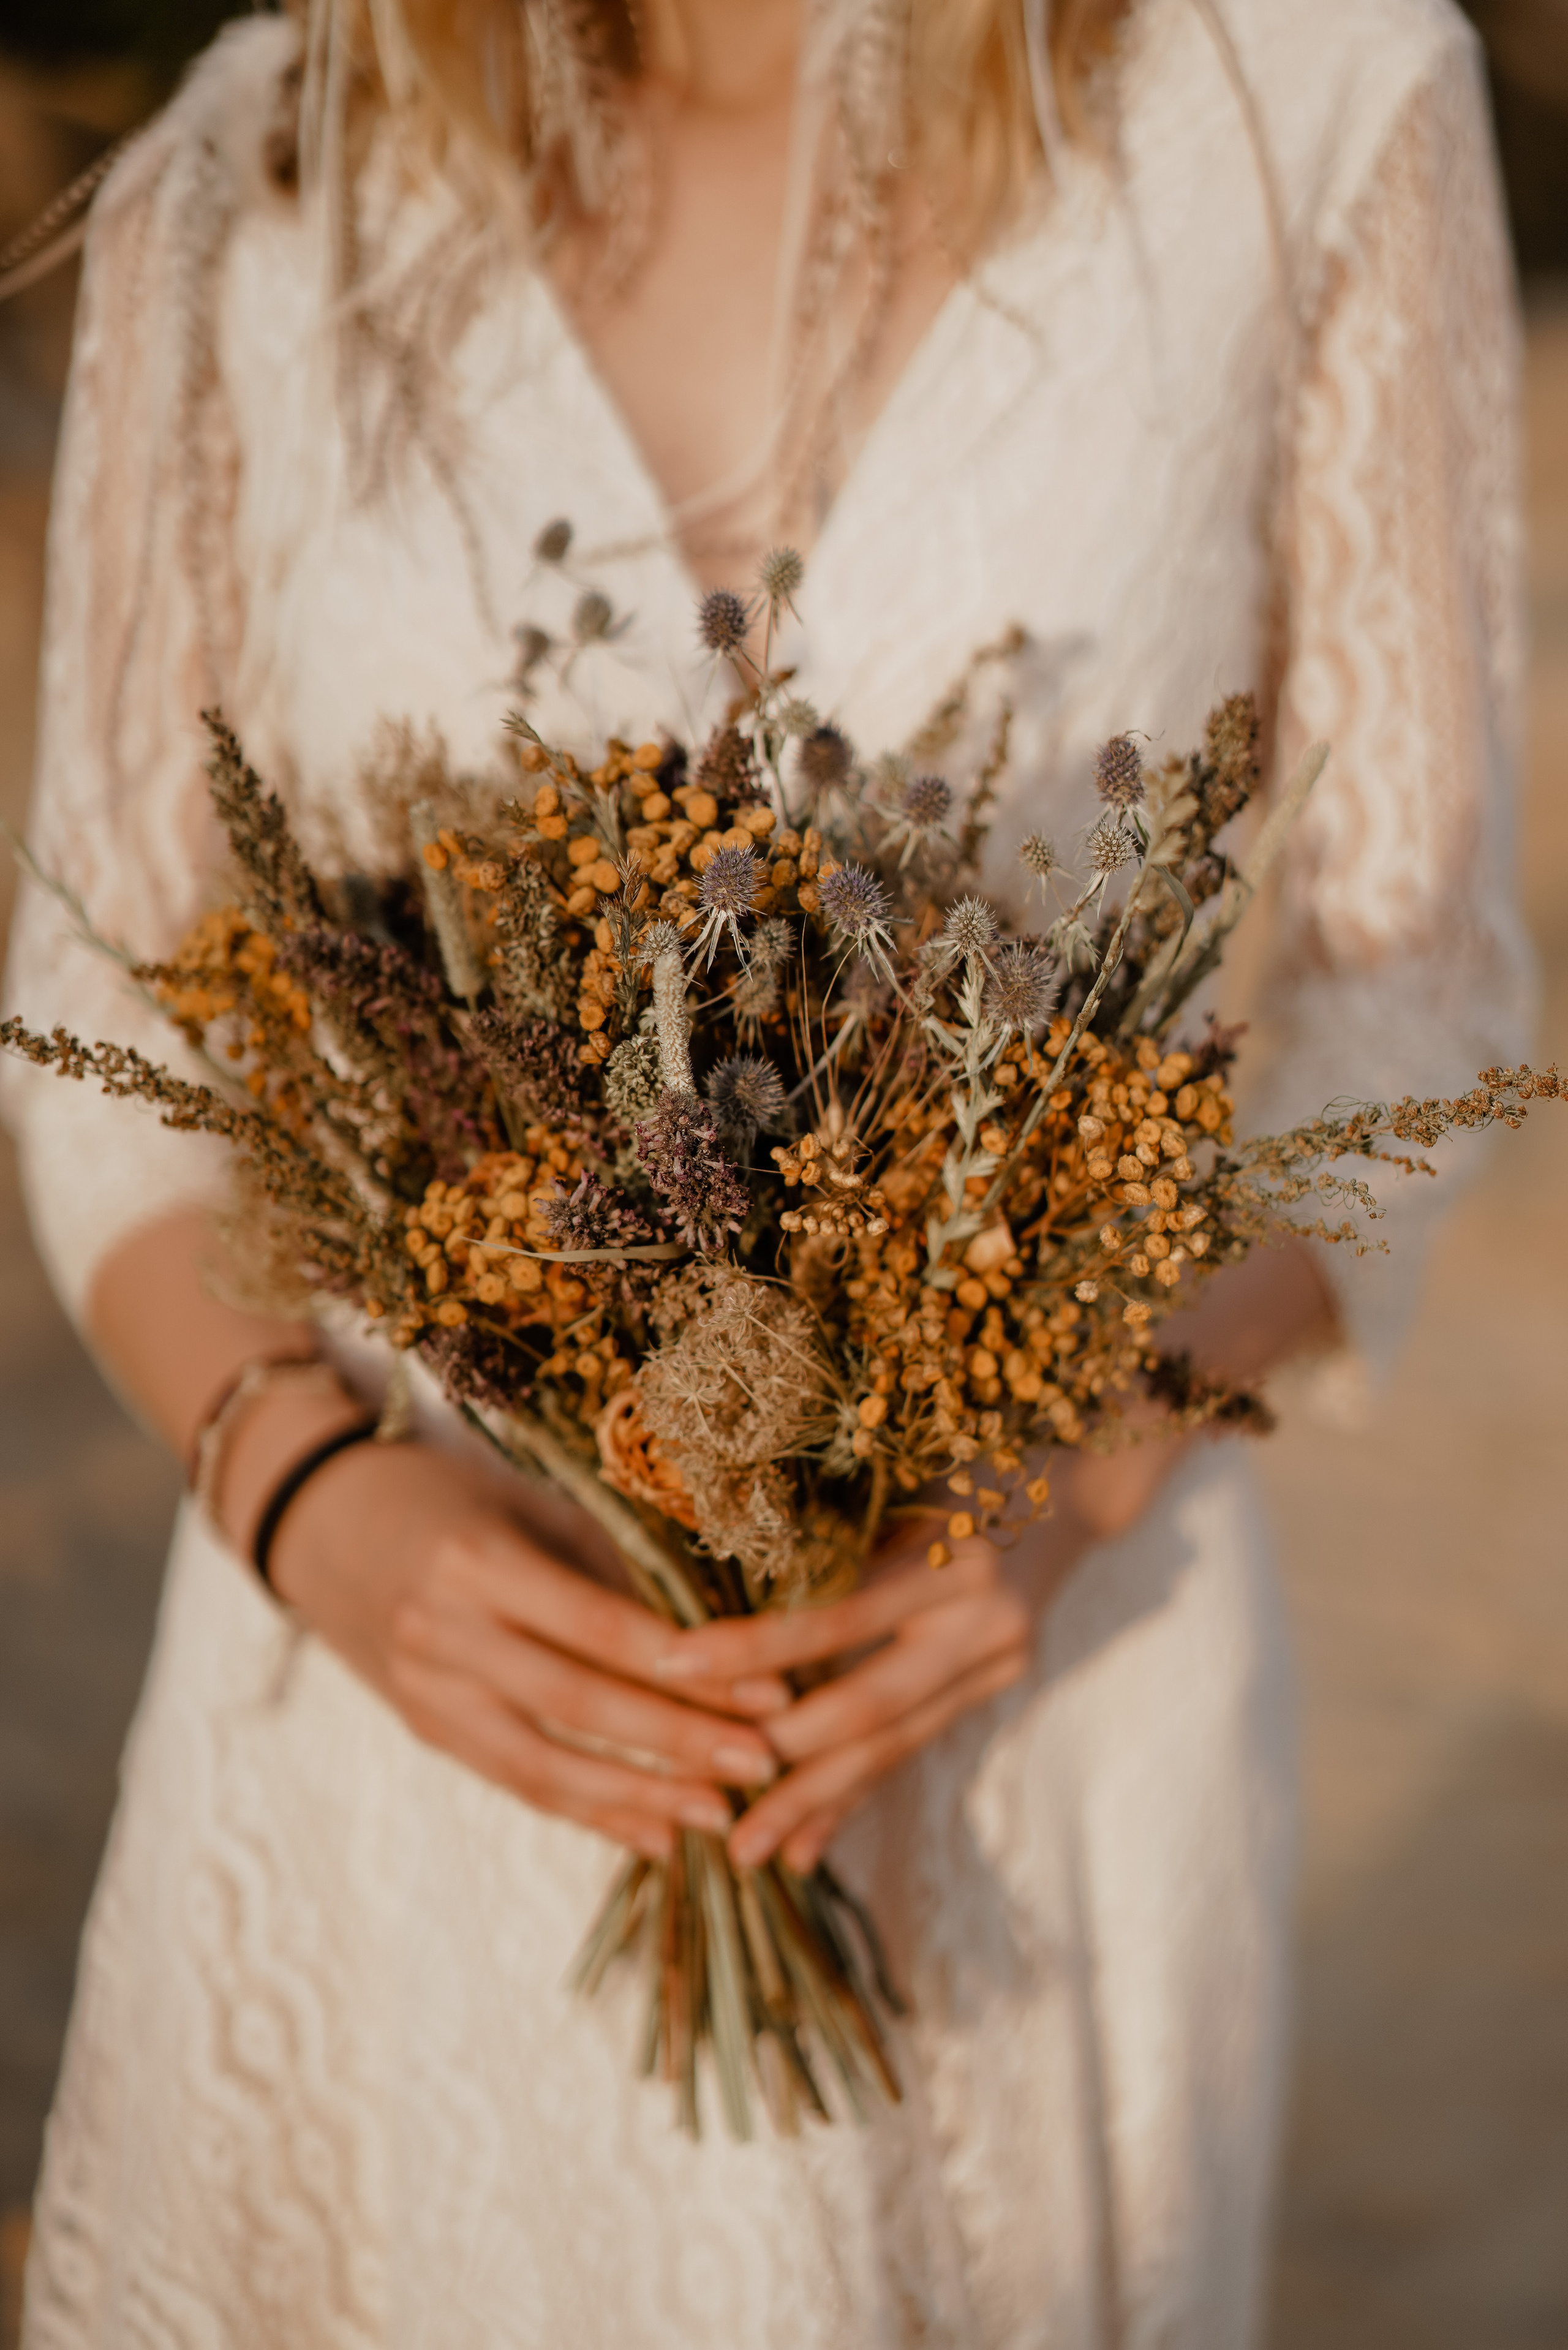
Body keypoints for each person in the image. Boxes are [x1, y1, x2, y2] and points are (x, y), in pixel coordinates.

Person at [1, 0, 1531, 2341]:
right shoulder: (261, 177)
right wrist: (311, 1496)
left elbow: (1411, 986)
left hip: (1015, 1749)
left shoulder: (1302, 88)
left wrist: (1080, 1457)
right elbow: (109, 1024)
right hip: (397, 1765)